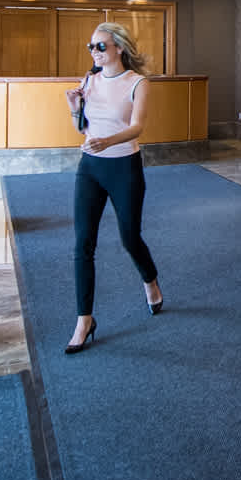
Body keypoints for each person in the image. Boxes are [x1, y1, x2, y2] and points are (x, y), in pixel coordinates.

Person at [60, 22, 163, 353]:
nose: (95, 52)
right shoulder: (89, 80)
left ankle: (150, 280)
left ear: (119, 47)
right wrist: (75, 109)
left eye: (101, 46)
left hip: (124, 167)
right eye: (91, 46)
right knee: (82, 244)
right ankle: (84, 319)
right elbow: (83, 129)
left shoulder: (137, 83)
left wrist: (108, 141)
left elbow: (137, 127)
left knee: (129, 238)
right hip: (90, 167)